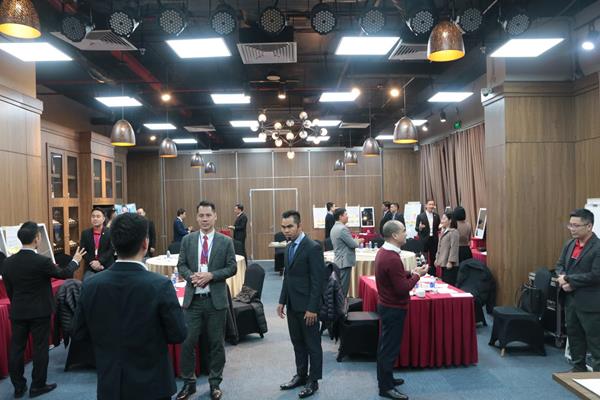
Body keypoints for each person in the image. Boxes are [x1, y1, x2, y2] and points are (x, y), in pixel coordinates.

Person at [73, 213, 187, 400]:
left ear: (113, 244)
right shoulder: (160, 285)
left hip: (111, 382)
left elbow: (79, 333)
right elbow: (178, 334)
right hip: (153, 384)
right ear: (145, 244)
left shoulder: (91, 285)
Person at [1, 222, 85, 399]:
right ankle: (37, 386)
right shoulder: (42, 261)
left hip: (18, 311)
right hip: (40, 312)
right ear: (37, 238)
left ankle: (18, 387)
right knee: (40, 349)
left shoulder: (7, 262)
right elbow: (64, 274)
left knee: (16, 349)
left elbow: (9, 289)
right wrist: (75, 261)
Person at [176, 201, 237, 400]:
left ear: (215, 216)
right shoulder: (188, 240)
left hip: (215, 300)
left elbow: (232, 268)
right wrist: (191, 276)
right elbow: (181, 265)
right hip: (193, 301)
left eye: (208, 215)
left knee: (216, 344)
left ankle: (215, 383)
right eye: (201, 215)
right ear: (196, 217)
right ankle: (189, 383)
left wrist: (211, 275)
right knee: (187, 342)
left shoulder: (225, 241)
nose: (204, 219)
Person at [375, 220, 428, 400]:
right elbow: (402, 288)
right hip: (393, 308)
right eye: (404, 230)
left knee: (387, 346)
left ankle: (387, 378)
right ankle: (385, 387)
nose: (407, 233)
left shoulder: (385, 252)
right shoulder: (391, 257)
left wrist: (410, 272)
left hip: (387, 305)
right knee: (389, 348)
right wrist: (417, 275)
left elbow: (395, 276)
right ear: (395, 235)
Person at [278, 210, 325, 399]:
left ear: (299, 226)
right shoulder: (289, 247)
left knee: (312, 345)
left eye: (290, 226)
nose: (286, 230)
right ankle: (301, 375)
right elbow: (287, 276)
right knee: (297, 342)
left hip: (308, 307)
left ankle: (313, 380)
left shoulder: (313, 247)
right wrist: (282, 300)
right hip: (292, 304)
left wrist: (312, 308)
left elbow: (318, 281)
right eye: (283, 227)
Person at [556, 208, 600, 372]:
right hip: (570, 300)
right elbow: (559, 265)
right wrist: (562, 277)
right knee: (574, 337)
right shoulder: (569, 244)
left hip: (590, 303)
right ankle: (578, 369)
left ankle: (597, 377)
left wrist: (569, 280)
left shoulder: (598, 247)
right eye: (570, 225)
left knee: (595, 342)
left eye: (576, 225)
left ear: (589, 226)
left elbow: (596, 275)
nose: (572, 229)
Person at [330, 207, 362, 297]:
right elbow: (353, 244)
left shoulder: (334, 228)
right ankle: (342, 305)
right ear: (340, 217)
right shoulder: (343, 229)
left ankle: (340, 303)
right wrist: (359, 241)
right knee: (343, 289)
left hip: (339, 260)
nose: (347, 216)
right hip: (344, 262)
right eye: (346, 214)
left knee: (339, 287)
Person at [80, 208, 114, 280]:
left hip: (106, 266)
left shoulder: (110, 232)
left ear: (103, 219)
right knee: (87, 283)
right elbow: (83, 250)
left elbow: (111, 250)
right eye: (93, 216)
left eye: (98, 216)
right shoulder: (85, 233)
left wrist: (99, 261)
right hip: (90, 267)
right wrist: (93, 263)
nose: (95, 218)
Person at [434, 211, 460, 285]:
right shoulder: (443, 231)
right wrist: (437, 258)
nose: (442, 221)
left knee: (449, 283)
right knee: (444, 282)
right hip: (443, 262)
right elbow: (439, 246)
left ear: (450, 220)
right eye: (442, 218)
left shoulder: (454, 232)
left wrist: (451, 261)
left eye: (444, 219)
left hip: (449, 264)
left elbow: (454, 247)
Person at [416, 200, 441, 274]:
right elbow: (416, 228)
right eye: (430, 204)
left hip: (434, 239)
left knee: (433, 258)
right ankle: (424, 274)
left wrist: (441, 227)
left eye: (433, 204)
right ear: (426, 205)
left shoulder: (436, 216)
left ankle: (433, 274)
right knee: (424, 258)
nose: (431, 206)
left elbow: (438, 227)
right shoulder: (420, 216)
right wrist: (420, 228)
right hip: (424, 240)